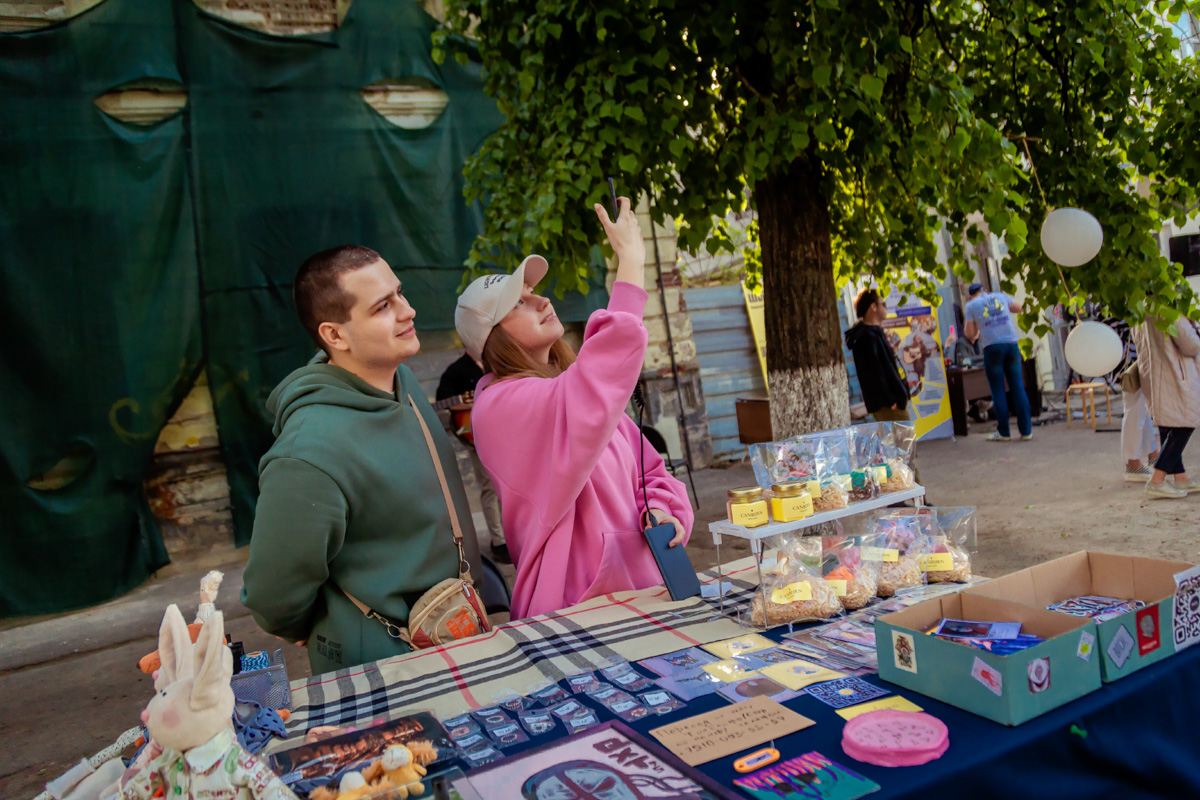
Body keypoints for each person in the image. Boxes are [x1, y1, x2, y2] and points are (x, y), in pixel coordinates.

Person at [242, 245, 483, 673]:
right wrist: (331, 623)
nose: (408, 311)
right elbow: (273, 594)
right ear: (335, 336)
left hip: (457, 635)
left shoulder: (400, 381)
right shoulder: (307, 452)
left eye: (400, 293)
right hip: (381, 668)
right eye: (383, 306)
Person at [455, 197, 694, 619]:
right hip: (573, 610)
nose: (542, 301)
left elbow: (650, 471)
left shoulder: (569, 389)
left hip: (645, 593)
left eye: (533, 292)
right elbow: (592, 385)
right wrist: (629, 265)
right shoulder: (499, 405)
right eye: (518, 304)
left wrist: (660, 508)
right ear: (492, 339)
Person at [436, 352, 509, 563]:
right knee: (489, 488)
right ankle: (499, 541)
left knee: (509, 487)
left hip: (505, 433)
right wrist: (467, 403)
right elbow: (442, 401)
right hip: (476, 436)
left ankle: (514, 533)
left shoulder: (498, 359)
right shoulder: (457, 370)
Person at [1134, 314, 1200, 499]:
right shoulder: (1168, 310)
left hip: (1153, 372)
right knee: (1185, 423)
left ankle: (1181, 476)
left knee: (1169, 423)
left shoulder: (1140, 308)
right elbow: (1191, 345)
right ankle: (1157, 479)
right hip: (1176, 373)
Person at [964, 283, 1033, 442]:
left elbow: (970, 334)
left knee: (998, 389)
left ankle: (1004, 432)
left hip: (992, 347)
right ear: (985, 291)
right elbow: (1020, 308)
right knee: (1017, 386)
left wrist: (980, 324)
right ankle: (1026, 431)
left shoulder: (971, 306)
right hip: (1011, 344)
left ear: (971, 296)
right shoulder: (1000, 297)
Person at [845, 289, 911, 421]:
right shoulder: (866, 337)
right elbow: (874, 373)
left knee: (901, 434)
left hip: (890, 403)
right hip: (888, 405)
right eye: (883, 304)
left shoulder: (872, 333)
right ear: (873, 307)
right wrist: (891, 400)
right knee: (904, 434)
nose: (886, 308)